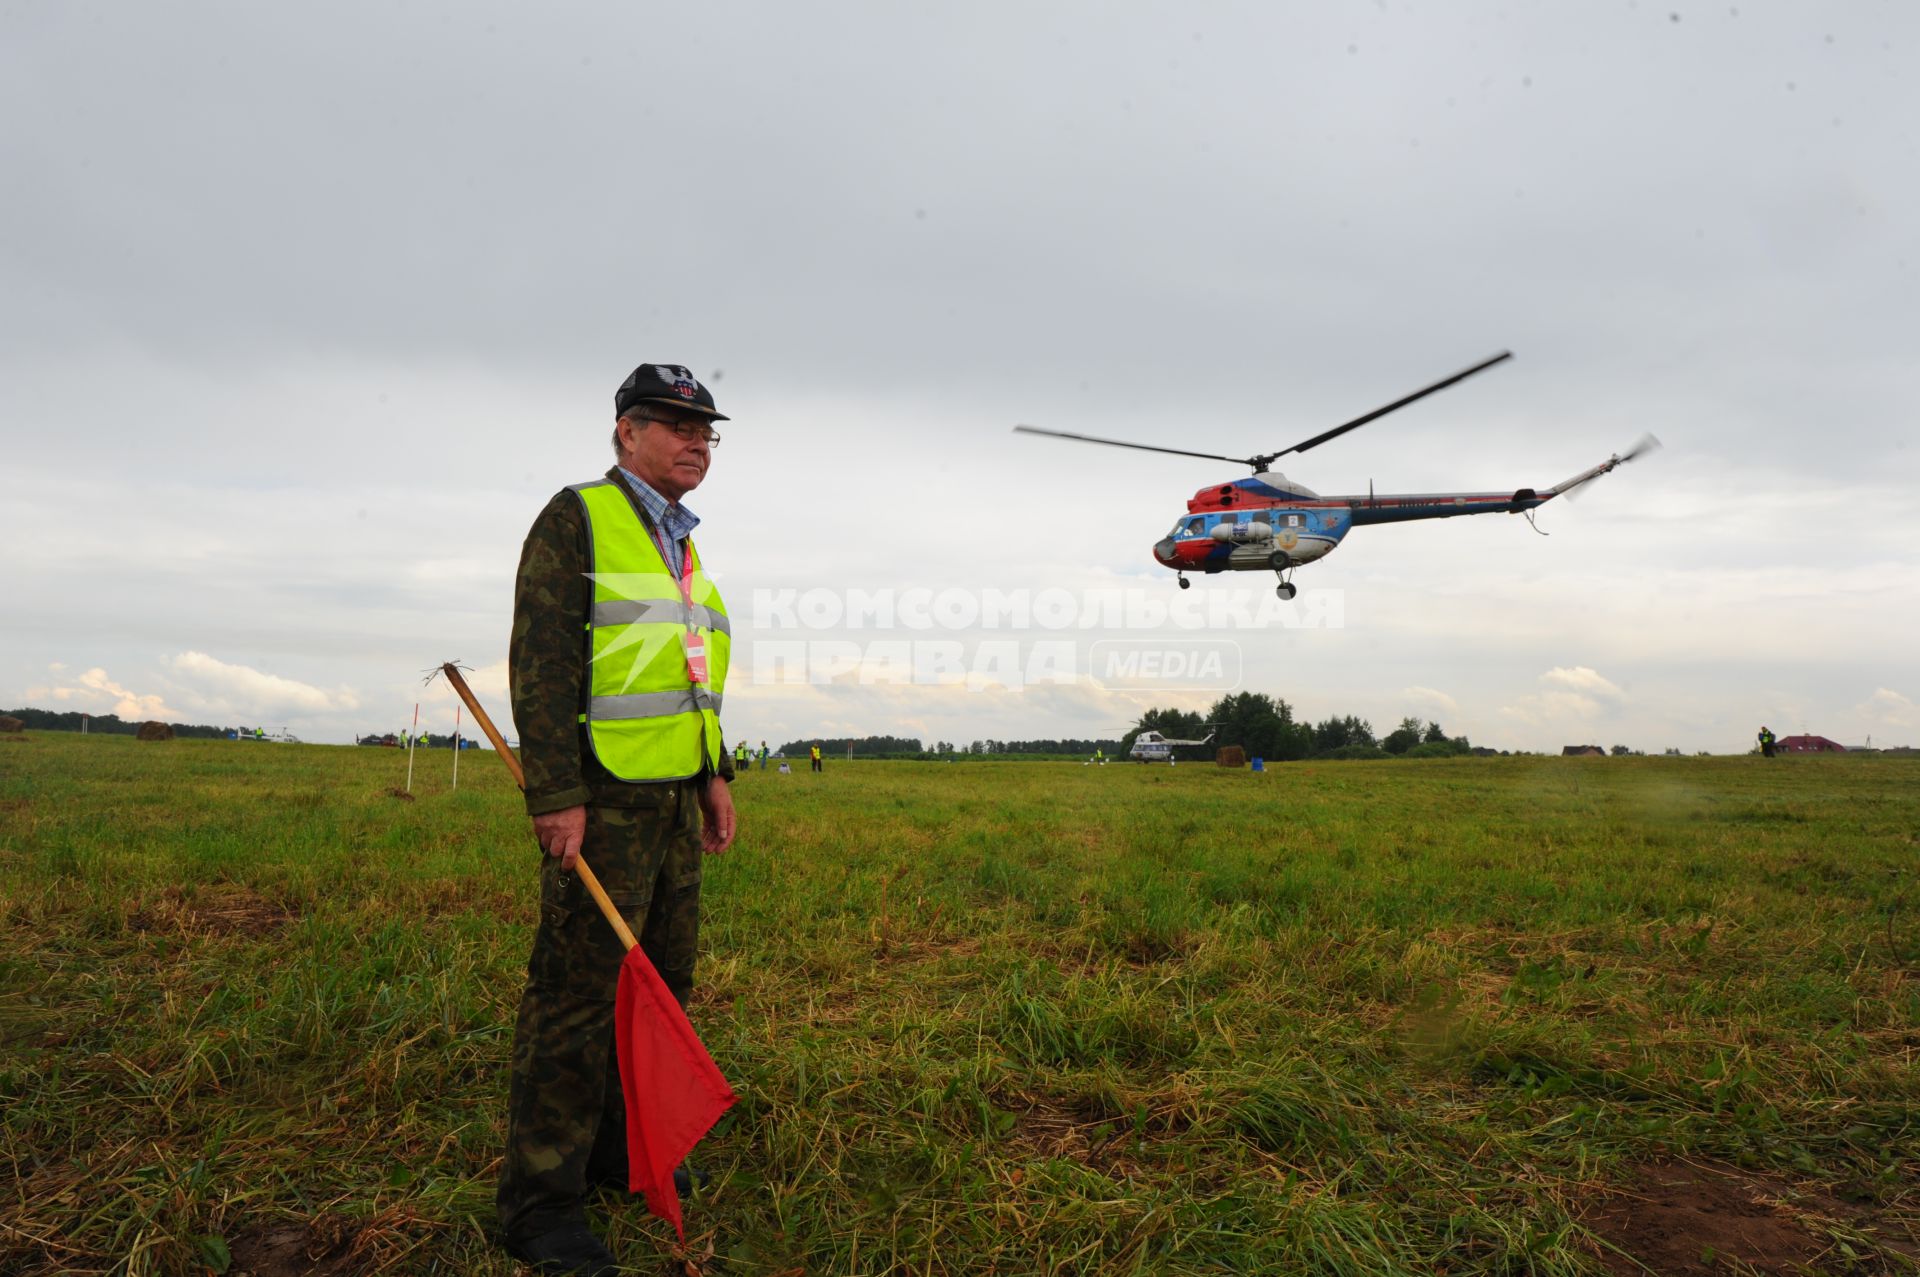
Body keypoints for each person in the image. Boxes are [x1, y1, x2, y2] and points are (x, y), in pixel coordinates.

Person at [497, 362, 740, 1277]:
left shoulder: (681, 545)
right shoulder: (580, 518)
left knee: (659, 986)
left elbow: (689, 669)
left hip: (675, 806)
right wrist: (555, 793)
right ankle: (539, 1203)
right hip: (602, 805)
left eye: (707, 431)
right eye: (677, 425)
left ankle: (610, 1157)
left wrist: (715, 772)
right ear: (626, 433)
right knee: (576, 997)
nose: (696, 442)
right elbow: (544, 658)